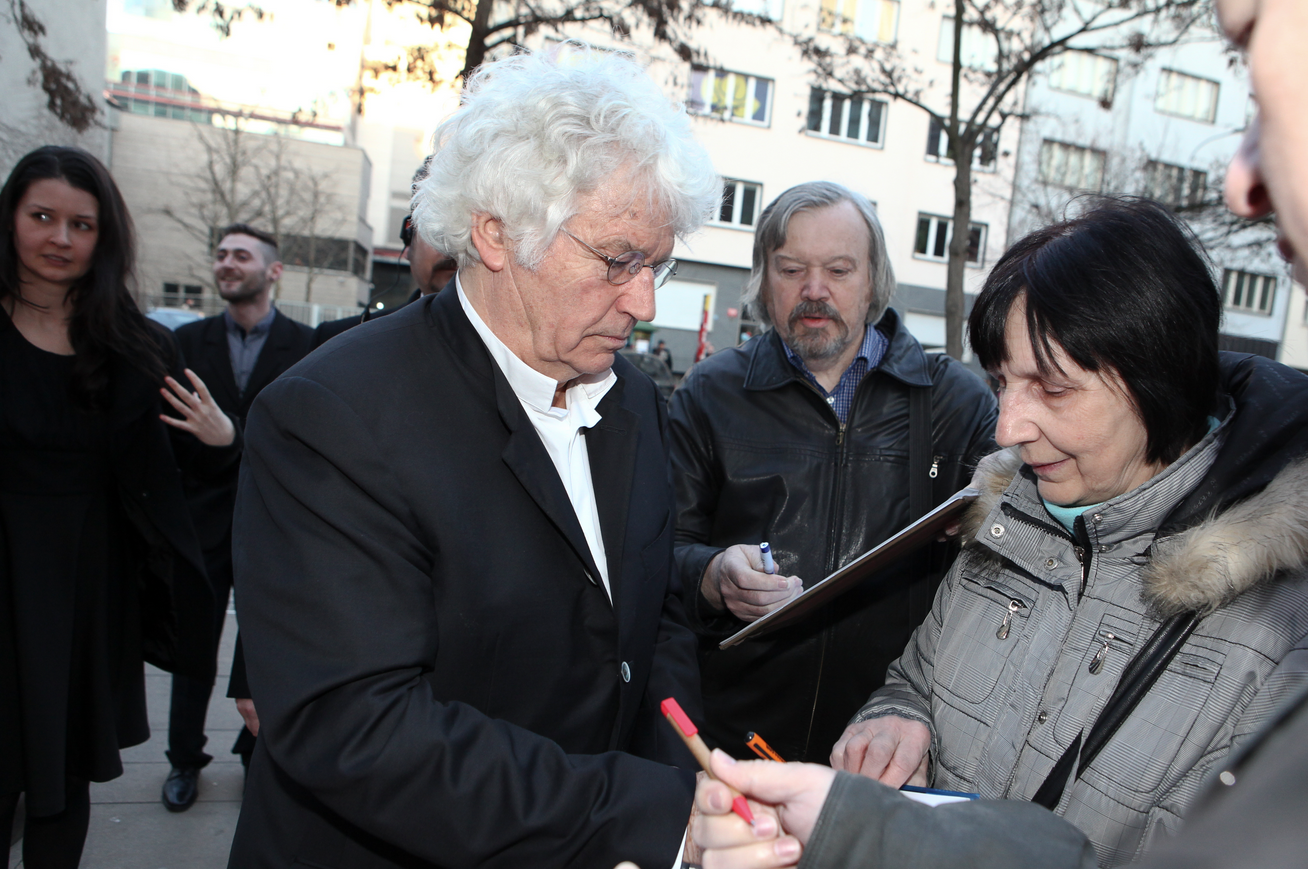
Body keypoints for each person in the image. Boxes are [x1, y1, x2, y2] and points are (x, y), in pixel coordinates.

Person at [691, 195, 1308, 868]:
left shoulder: (1282, 628)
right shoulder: (1008, 516)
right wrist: (898, 719)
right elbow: (913, 677)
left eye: (1052, 388)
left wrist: (872, 834)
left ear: (1159, 377)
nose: (1007, 427)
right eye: (1002, 382)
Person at [226, 46, 720, 869]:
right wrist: (651, 817)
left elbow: (652, 618)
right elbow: (359, 726)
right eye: (617, 260)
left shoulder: (631, 398)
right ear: (496, 234)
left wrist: (691, 790)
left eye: (657, 263)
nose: (645, 301)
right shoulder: (332, 415)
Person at [668, 181, 997, 763]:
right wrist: (712, 574)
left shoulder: (956, 404)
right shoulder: (709, 394)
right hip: (733, 739)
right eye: (791, 269)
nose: (813, 291)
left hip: (892, 746)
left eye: (839, 271)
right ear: (763, 281)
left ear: (875, 280)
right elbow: (655, 551)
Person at [0, 146, 238, 866]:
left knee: (64, 780)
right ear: (11, 218)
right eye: (41, 216)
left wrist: (225, 439)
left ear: (105, 237)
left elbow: (188, 467)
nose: (60, 238)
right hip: (5, 578)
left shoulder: (138, 346)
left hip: (86, 593)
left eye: (81, 223)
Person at [161, 223, 313, 809]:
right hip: (201, 521)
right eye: (221, 254)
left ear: (273, 271)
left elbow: (303, 442)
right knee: (192, 649)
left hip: (276, 526)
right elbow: (171, 435)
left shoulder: (307, 343)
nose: (226, 263)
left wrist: (232, 437)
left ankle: (257, 755)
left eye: (241, 256)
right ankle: (182, 760)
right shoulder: (186, 342)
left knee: (268, 648)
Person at [311, 158, 458, 347]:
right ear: (409, 238)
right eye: (438, 229)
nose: (454, 245)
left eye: (470, 230)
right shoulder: (336, 342)